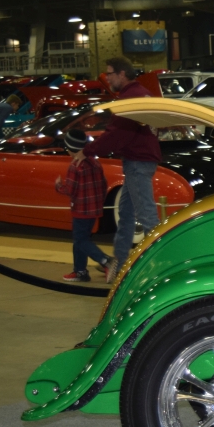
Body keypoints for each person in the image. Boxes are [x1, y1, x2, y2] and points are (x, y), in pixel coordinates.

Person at [74, 57, 158, 282]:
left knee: (147, 217)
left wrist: (87, 151)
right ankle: (119, 265)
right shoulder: (144, 93)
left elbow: (115, 134)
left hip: (137, 161)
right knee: (127, 214)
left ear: (122, 74)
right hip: (141, 159)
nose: (107, 78)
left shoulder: (128, 99)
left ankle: (160, 268)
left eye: (109, 73)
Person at [55, 129, 111, 282]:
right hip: (95, 209)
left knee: (81, 241)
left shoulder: (75, 166)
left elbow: (70, 190)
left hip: (81, 210)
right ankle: (80, 271)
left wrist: (58, 186)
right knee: (80, 239)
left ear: (70, 149)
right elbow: (104, 184)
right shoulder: (95, 162)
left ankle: (106, 261)